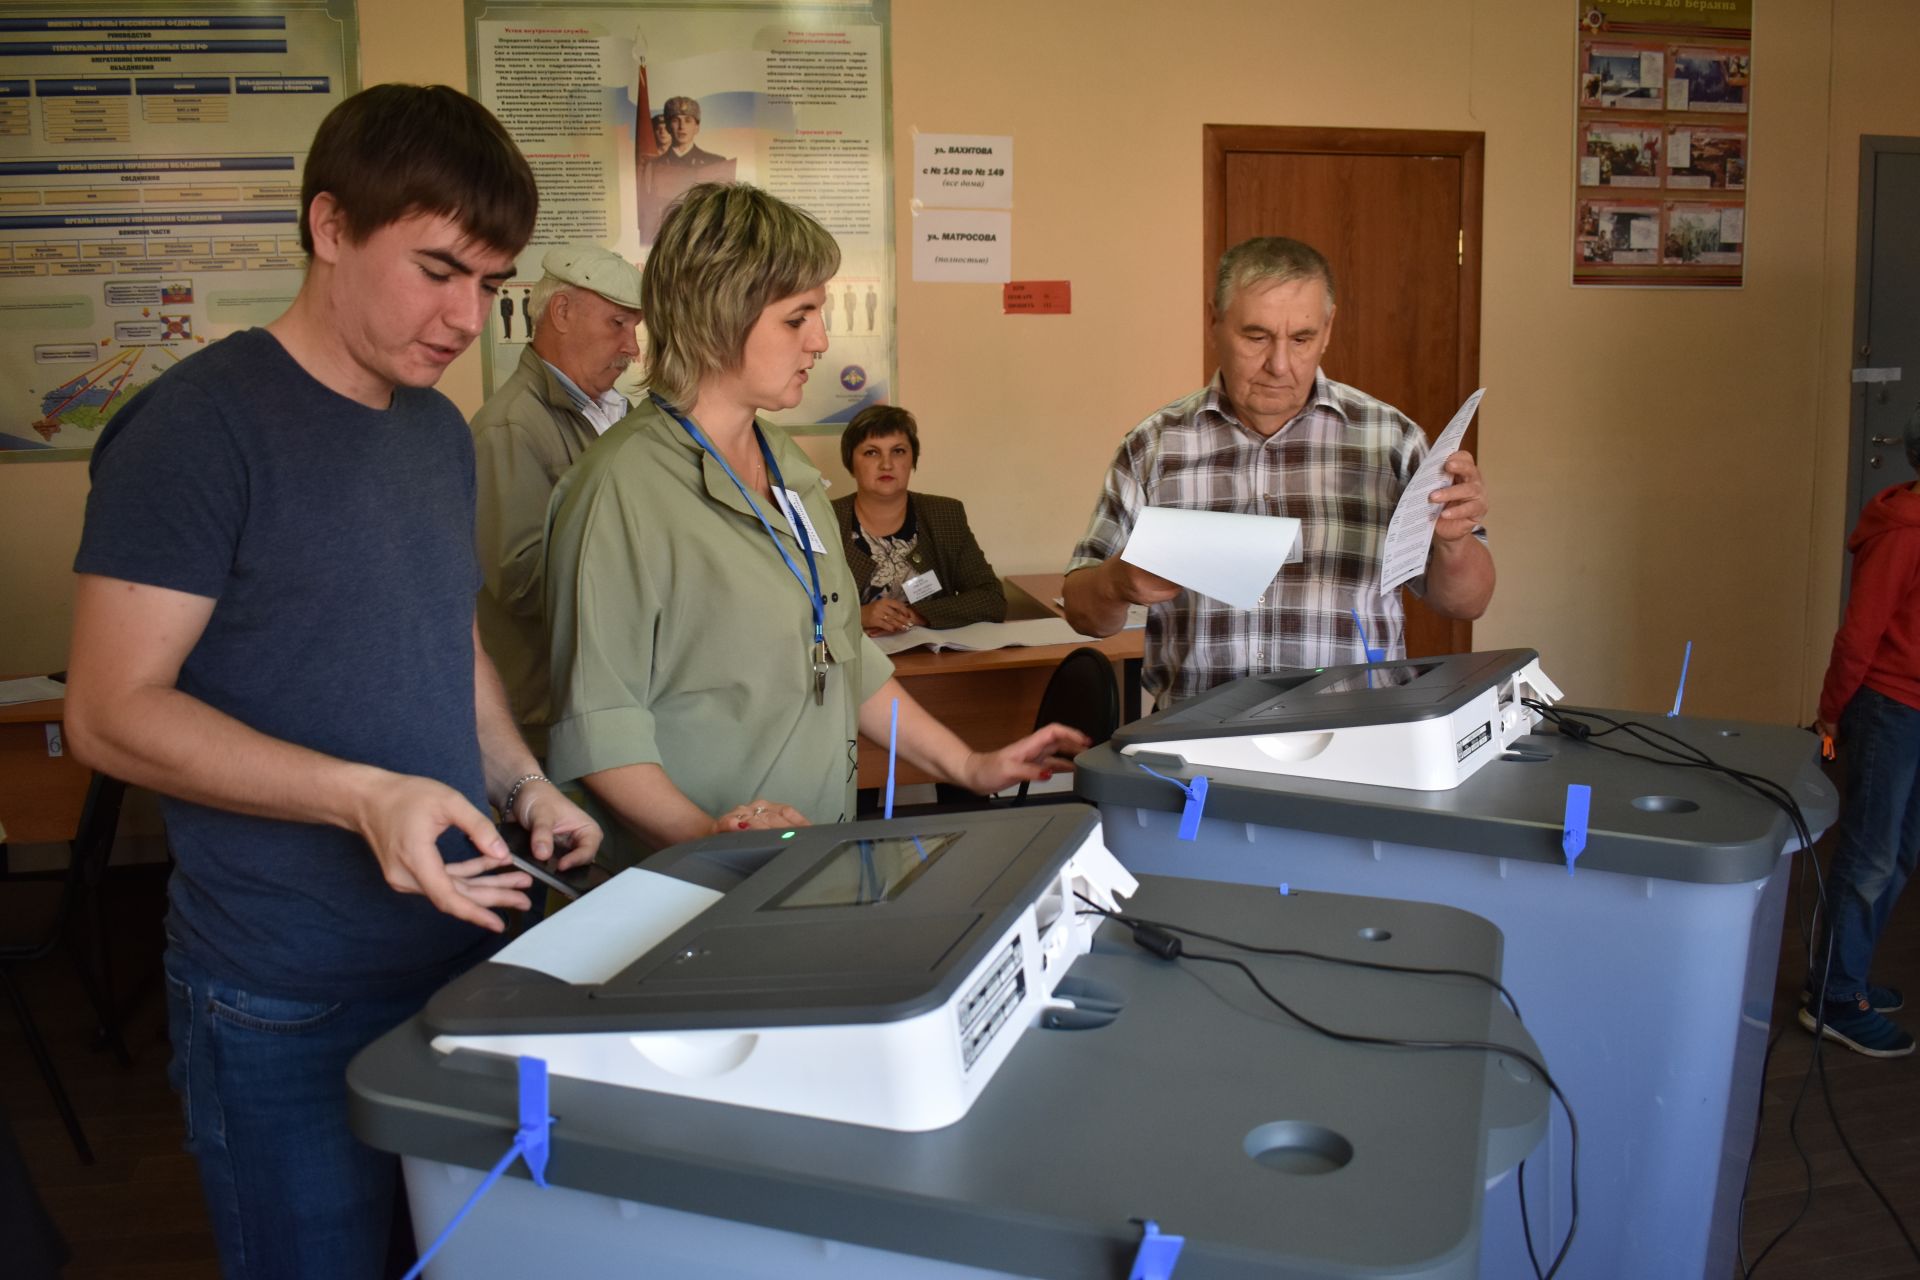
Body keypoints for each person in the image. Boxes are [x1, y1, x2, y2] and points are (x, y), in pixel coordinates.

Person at [63, 84, 603, 1277]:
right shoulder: (195, 429)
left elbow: (443, 646)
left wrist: (522, 785)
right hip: (283, 997)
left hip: (463, 958)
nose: (469, 318)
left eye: (492, 286)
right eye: (438, 270)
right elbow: (108, 711)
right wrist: (363, 795)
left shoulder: (434, 431)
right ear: (329, 226)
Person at [544, 182, 1084, 851]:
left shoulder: (790, 469)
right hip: (696, 880)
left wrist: (968, 766)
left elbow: (844, 661)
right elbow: (600, 729)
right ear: (719, 318)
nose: (821, 340)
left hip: (809, 854)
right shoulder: (620, 492)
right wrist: (714, 838)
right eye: (798, 318)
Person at [1062, 235, 1493, 707]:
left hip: (1354, 734)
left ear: (1328, 329)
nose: (1279, 365)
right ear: (1214, 322)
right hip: (1201, 744)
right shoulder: (1154, 445)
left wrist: (1454, 543)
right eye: (1256, 336)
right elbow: (1085, 615)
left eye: (1302, 339)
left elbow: (1465, 604)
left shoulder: (1390, 440)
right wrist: (1114, 583)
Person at [472, 243, 642, 756]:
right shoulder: (510, 427)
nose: (633, 347)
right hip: (551, 719)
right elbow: (522, 582)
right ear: (562, 313)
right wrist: (652, 566)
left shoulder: (617, 412)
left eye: (634, 328)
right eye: (618, 324)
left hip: (607, 704)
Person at [1804, 407, 1920, 1058]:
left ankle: (1848, 974)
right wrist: (1831, 713)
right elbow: (1859, 635)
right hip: (1888, 709)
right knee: (1871, 857)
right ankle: (1835, 998)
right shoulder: (1903, 532)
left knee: (1901, 852)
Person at [831, 404, 1005, 636]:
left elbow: (991, 598)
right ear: (850, 462)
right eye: (871, 452)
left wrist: (917, 615)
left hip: (931, 658)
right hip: (855, 661)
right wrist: (859, 615)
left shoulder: (945, 514)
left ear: (912, 459)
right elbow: (796, 608)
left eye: (898, 451)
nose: (886, 464)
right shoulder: (825, 518)